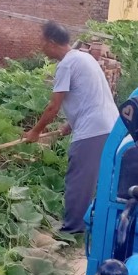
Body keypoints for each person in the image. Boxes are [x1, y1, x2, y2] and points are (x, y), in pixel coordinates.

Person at [23, 22, 119, 234]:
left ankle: (73, 229)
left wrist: (35, 132)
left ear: (51, 42)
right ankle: (95, 223)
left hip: (93, 129)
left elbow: (53, 106)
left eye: (42, 43)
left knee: (78, 179)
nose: (41, 48)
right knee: (99, 178)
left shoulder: (66, 64)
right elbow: (89, 95)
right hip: (109, 125)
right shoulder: (83, 57)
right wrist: (70, 123)